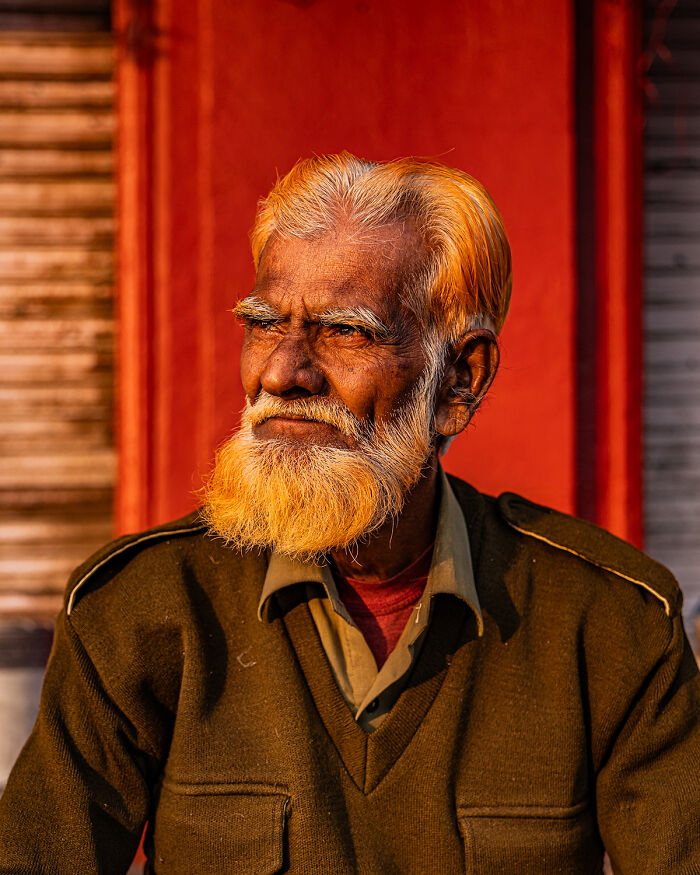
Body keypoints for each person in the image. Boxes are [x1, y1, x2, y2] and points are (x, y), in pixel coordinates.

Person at [0, 153, 698, 874]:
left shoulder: (609, 623)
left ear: (460, 378)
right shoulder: (140, 611)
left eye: (346, 332)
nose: (280, 372)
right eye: (266, 324)